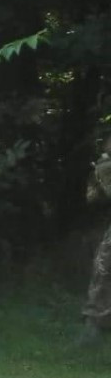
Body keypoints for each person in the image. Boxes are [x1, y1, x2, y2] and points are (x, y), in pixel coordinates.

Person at [81, 139, 111, 347]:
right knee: (103, 269)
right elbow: (93, 198)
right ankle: (94, 326)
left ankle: (95, 323)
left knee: (103, 269)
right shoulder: (105, 167)